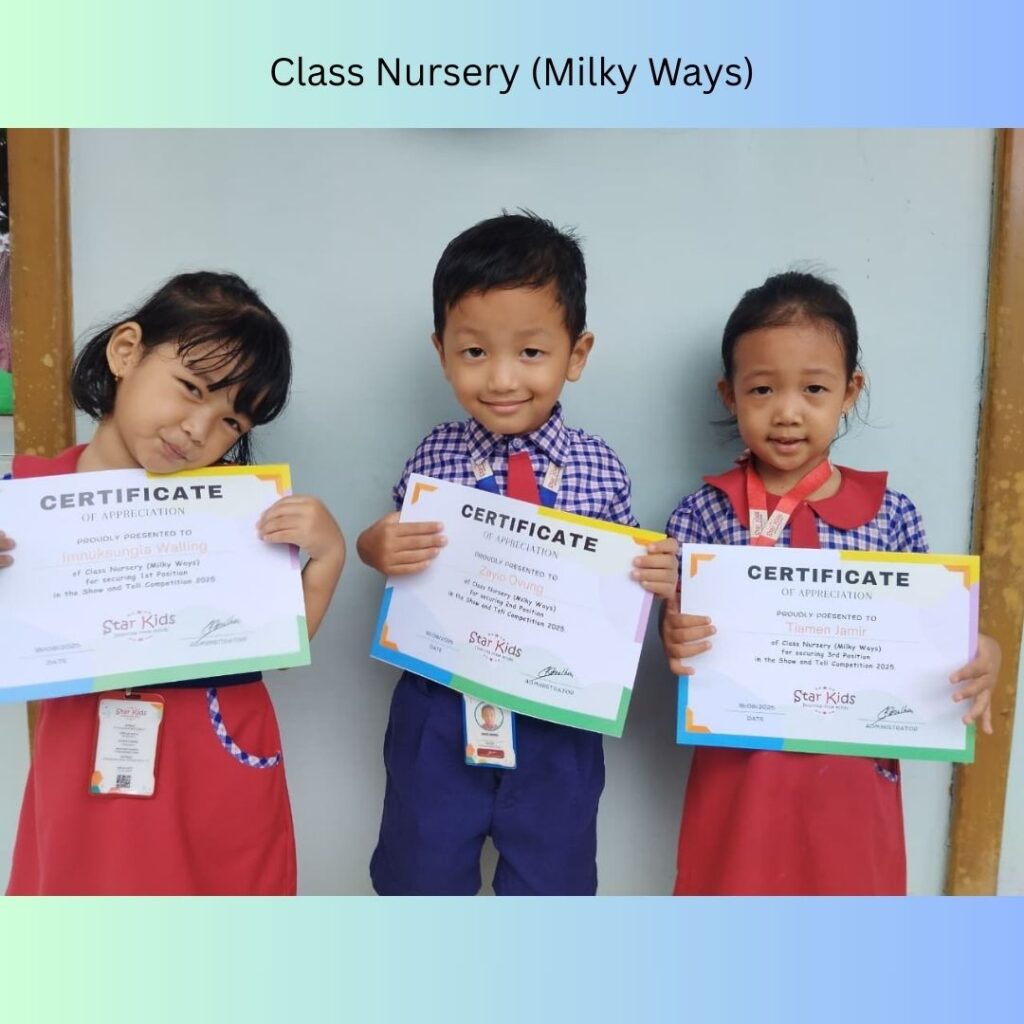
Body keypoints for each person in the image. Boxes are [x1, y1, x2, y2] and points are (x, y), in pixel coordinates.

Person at [358, 212, 678, 895]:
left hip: (558, 715)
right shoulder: (433, 456)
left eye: (531, 352)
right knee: (419, 873)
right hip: (439, 702)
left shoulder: (599, 467)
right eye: (475, 352)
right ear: (442, 352)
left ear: (577, 354)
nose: (502, 378)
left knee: (551, 882)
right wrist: (374, 545)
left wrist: (656, 576)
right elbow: (394, 548)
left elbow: (623, 593)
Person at [1, 271, 346, 895]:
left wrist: (327, 558)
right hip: (81, 766)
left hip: (215, 761)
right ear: (125, 352)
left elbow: (277, 646)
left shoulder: (238, 518)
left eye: (231, 422)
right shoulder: (24, 503)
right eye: (191, 388)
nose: (198, 430)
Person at [661, 270, 1000, 895]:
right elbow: (675, 636)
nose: (788, 412)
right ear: (729, 394)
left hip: (852, 778)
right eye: (762, 388)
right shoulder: (702, 516)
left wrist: (981, 651)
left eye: (814, 388)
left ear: (850, 391)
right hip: (742, 774)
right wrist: (673, 634)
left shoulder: (892, 516)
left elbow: (932, 635)